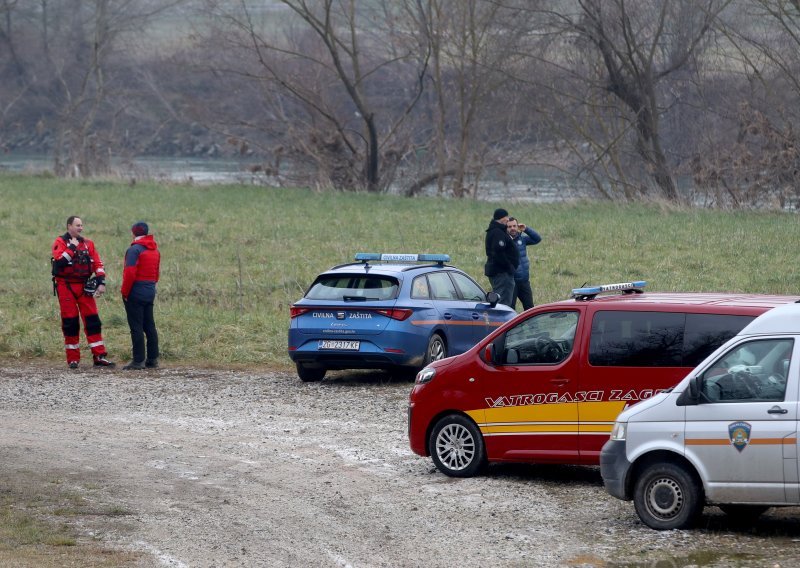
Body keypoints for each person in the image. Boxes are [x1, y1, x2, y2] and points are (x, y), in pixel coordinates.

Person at [51, 216, 115, 369]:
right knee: (70, 322)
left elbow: (98, 264)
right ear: (69, 226)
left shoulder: (88, 244)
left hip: (84, 286)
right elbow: (59, 264)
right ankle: (73, 359)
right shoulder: (60, 242)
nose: (81, 228)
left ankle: (99, 356)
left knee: (93, 320)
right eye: (77, 225)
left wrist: (101, 282)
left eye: (81, 225)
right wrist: (72, 247)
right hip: (65, 286)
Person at [121, 221, 161, 370]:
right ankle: (152, 359)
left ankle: (138, 361)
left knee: (136, 327)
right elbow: (156, 273)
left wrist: (125, 292)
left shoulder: (134, 250)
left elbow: (130, 273)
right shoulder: (155, 250)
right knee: (149, 326)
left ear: (133, 233)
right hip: (150, 291)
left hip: (135, 291)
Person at [484, 208, 519, 307]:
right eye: (506, 217)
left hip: (501, 272)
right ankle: (501, 322)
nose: (508, 219)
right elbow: (498, 253)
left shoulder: (495, 231)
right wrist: (509, 267)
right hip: (502, 273)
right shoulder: (497, 232)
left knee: (502, 299)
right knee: (503, 303)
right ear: (502, 218)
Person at [507, 217, 542, 311]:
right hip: (511, 282)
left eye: (514, 226)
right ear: (506, 228)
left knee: (530, 308)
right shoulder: (504, 241)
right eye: (509, 226)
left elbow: (537, 239)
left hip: (524, 281)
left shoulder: (522, 239)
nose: (512, 228)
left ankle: (532, 326)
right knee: (510, 309)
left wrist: (526, 229)